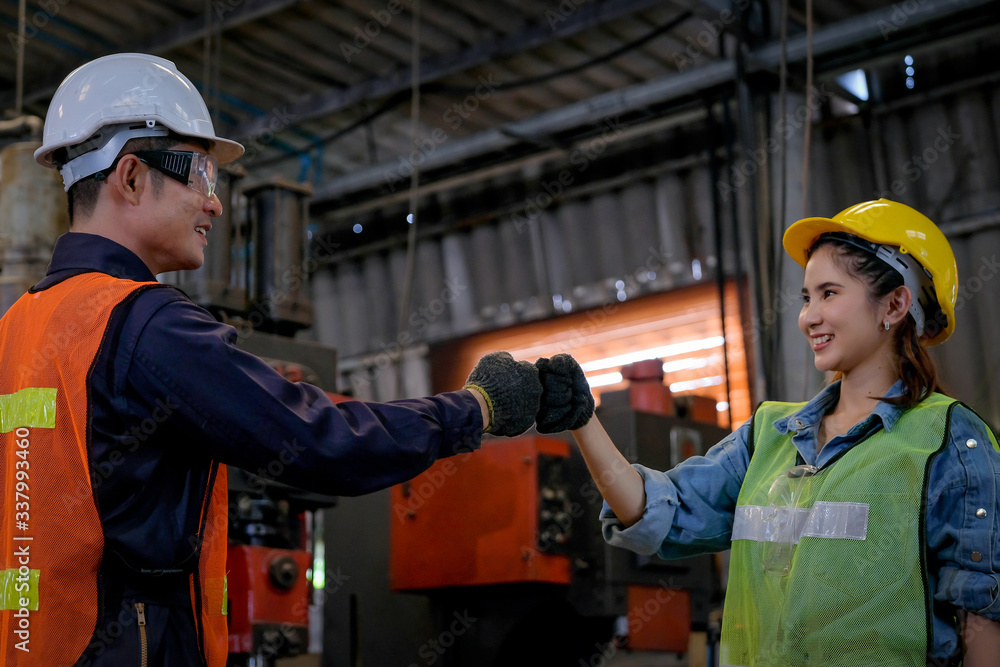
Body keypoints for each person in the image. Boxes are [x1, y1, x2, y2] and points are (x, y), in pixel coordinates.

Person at [0, 53, 541, 667]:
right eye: (200, 175)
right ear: (129, 176)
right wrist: (477, 408)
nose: (215, 204)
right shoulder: (143, 324)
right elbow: (319, 440)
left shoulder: (15, 329)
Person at [532, 199, 1000, 666]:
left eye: (830, 293)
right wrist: (583, 420)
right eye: (806, 298)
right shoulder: (768, 436)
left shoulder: (950, 441)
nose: (808, 317)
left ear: (895, 304)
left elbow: (981, 616)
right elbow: (658, 512)